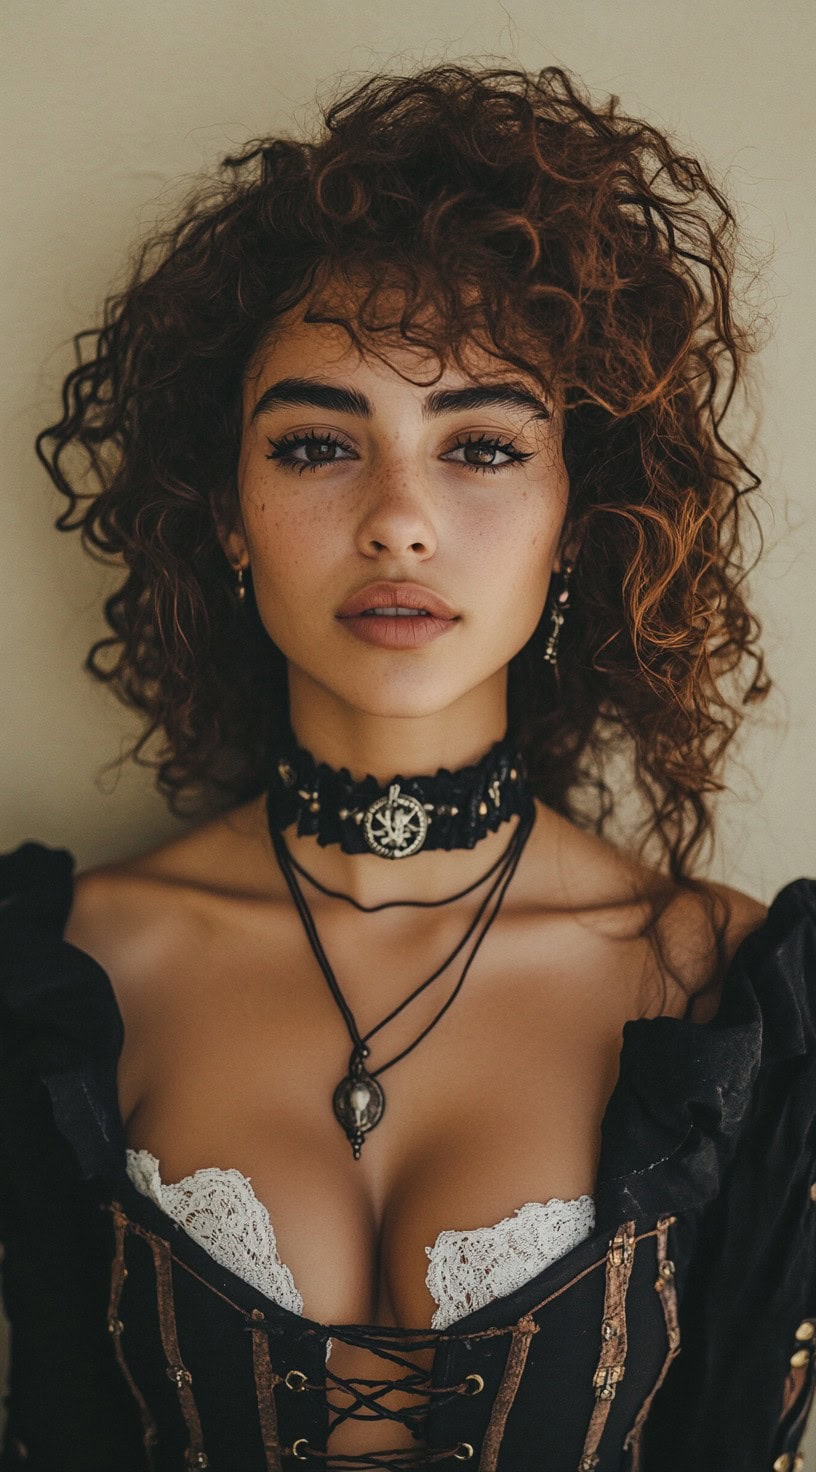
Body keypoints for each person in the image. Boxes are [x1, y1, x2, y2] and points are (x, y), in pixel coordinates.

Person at [0, 61, 813, 1472]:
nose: (399, 522)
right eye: (319, 444)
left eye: (483, 446)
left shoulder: (732, 997)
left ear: (579, 518)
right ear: (229, 517)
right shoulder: (60, 977)